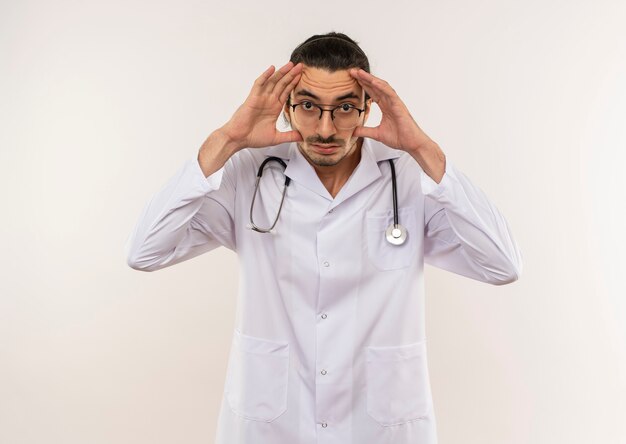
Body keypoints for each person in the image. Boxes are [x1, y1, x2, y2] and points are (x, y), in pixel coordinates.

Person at [125, 32, 523, 444]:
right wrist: (227, 139)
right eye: (309, 107)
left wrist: (423, 147)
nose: (326, 129)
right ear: (286, 107)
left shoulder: (407, 176)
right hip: (271, 425)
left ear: (368, 109)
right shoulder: (250, 173)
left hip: (379, 426)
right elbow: (144, 252)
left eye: (345, 108)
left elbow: (503, 265)